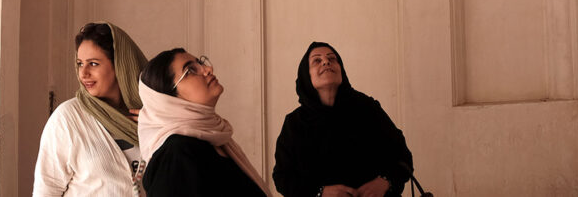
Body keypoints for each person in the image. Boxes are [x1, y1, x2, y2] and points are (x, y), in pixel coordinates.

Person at [272, 42, 413, 197]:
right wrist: (320, 193)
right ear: (307, 75)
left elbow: (402, 157)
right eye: (317, 61)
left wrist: (385, 182)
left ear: (341, 70)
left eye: (332, 59)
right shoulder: (295, 123)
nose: (326, 62)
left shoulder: (367, 109)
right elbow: (282, 177)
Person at [33, 22, 148, 196]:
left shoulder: (151, 116)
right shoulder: (67, 119)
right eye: (80, 63)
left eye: (93, 64)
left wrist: (159, 124)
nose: (83, 73)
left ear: (120, 65)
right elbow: (46, 190)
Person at [137, 48, 268, 196]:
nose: (208, 69)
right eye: (190, 71)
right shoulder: (176, 154)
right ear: (168, 99)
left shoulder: (215, 140)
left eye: (200, 63)